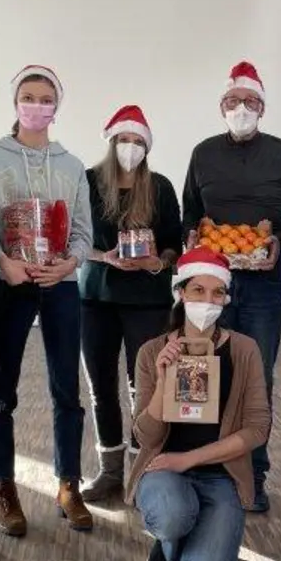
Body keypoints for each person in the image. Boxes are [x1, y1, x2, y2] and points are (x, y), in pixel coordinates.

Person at [0, 64, 94, 535]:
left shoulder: (71, 165)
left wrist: (71, 263)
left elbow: (83, 230)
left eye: (45, 98)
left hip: (61, 285)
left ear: (56, 107)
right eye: (29, 96)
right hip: (12, 284)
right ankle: (4, 486)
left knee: (67, 388)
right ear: (15, 102)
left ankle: (68, 483)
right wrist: (3, 262)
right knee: (1, 389)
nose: (37, 105)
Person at [180, 61, 281, 512]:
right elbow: (189, 213)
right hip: (210, 287)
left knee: (257, 378)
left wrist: (279, 243)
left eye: (250, 102)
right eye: (233, 102)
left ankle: (253, 472)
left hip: (264, 288)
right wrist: (192, 235)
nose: (241, 109)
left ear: (263, 107)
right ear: (222, 107)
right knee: (201, 372)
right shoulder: (203, 153)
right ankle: (203, 468)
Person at [127, 248, 271, 561]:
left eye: (217, 292)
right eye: (197, 291)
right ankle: (170, 537)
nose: (208, 301)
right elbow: (144, 437)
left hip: (221, 476)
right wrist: (162, 383)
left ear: (226, 298)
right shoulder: (150, 351)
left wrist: (188, 459)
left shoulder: (245, 349)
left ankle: (193, 534)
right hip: (163, 471)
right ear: (180, 293)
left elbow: (257, 429)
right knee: (174, 514)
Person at [78, 106, 182, 503]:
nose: (131, 148)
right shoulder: (87, 182)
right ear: (111, 142)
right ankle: (109, 471)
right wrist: (105, 257)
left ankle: (143, 471)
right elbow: (71, 237)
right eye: (125, 140)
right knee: (101, 385)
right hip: (95, 299)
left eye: (138, 142)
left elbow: (174, 241)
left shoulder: (160, 187)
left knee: (146, 387)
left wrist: (159, 261)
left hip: (147, 301)